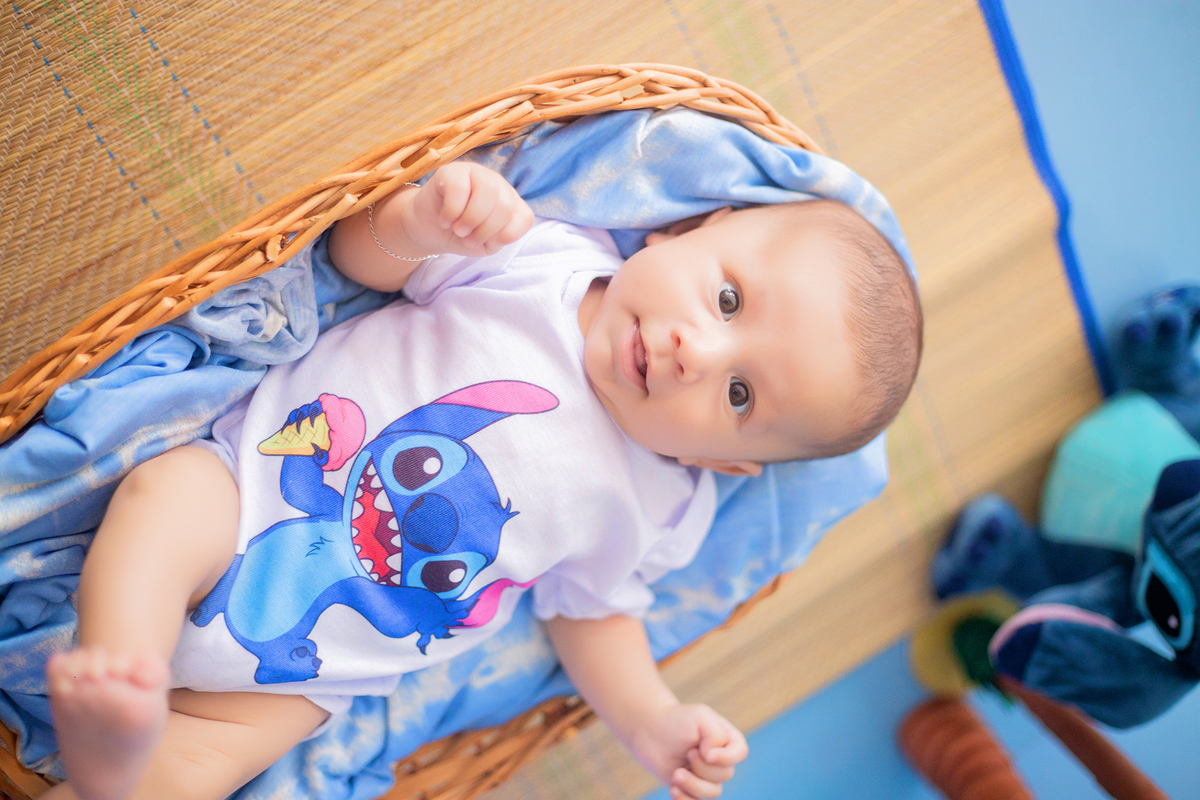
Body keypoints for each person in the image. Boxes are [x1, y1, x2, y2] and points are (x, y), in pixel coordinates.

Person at [44, 161, 922, 800]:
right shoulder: (537, 261)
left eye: (740, 394)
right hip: (252, 496)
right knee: (161, 502)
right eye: (728, 300)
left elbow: (596, 617)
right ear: (680, 232)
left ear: (727, 464)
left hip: (315, 669)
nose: (701, 351)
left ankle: (115, 775)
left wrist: (652, 721)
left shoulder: (661, 505)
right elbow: (361, 258)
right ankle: (121, 670)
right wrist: (423, 225)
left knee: (212, 766)